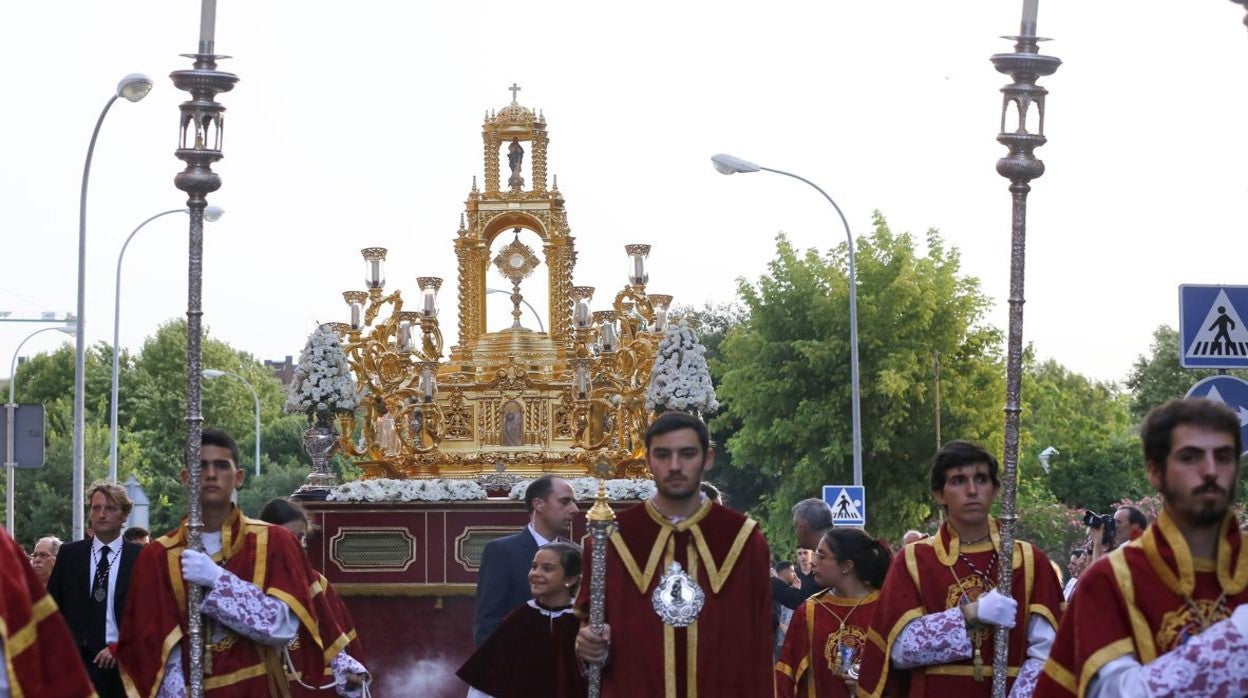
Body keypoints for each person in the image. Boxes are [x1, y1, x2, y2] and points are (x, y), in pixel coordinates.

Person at [116, 429, 364, 697]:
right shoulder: (158, 556)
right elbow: (151, 654)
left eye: (221, 465)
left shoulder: (275, 542)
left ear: (239, 477)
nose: (211, 474)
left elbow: (282, 627)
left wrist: (218, 581)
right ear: (186, 479)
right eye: (200, 466)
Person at [1034, 398, 1248, 697]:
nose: (1210, 470)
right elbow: (1116, 693)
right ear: (1155, 472)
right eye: (1190, 457)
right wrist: (1235, 638)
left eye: (1223, 457)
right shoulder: (1110, 579)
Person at [573, 411, 774, 697]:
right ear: (648, 461)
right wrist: (588, 644)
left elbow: (759, 646)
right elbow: (590, 627)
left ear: (708, 458)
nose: (675, 466)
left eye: (687, 454)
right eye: (663, 455)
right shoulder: (611, 540)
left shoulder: (744, 542)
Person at [857, 440, 1063, 698]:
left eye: (981, 479)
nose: (972, 490)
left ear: (995, 489)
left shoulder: (1028, 561)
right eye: (958, 480)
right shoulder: (916, 560)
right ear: (939, 494)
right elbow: (898, 650)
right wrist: (969, 614)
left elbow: (1051, 653)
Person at [258, 497, 370, 696]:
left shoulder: (317, 584)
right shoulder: (249, 581)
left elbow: (336, 642)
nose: (299, 546)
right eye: (290, 537)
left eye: (301, 538)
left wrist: (350, 673)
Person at [46, 479, 143, 698]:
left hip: (123, 664)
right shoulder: (70, 554)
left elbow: (148, 615)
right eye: (96, 508)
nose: (101, 514)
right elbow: (53, 608)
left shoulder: (140, 557)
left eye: (110, 508)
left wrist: (120, 647)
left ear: (124, 515)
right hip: (77, 664)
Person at [457, 541, 588, 698]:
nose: (536, 573)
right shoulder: (519, 619)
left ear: (571, 579)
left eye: (547, 568)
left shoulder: (581, 619)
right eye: (534, 566)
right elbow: (488, 679)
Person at [776, 528, 893, 698]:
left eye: (822, 556)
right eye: (815, 554)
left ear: (846, 566)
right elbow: (785, 679)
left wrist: (871, 687)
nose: (813, 562)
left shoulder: (885, 609)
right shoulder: (809, 611)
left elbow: (903, 679)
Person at [474, 474, 578, 645]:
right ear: (538, 504)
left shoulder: (577, 553)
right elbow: (488, 622)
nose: (574, 509)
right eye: (565, 501)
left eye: (573, 502)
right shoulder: (501, 551)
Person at [0, 524, 97, 697]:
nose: (37, 560)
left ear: (59, 559)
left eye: (43, 555)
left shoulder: (70, 592)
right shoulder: (21, 592)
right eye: (35, 555)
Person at [775, 498, 835, 611]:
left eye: (795, 527)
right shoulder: (838, 546)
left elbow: (806, 602)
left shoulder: (833, 552)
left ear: (802, 527)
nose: (812, 562)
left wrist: (772, 581)